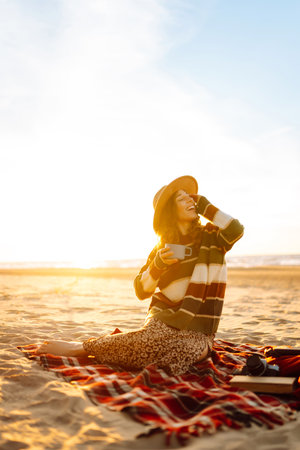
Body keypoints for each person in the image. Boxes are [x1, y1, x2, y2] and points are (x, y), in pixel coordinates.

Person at [36, 175, 244, 375]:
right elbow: (141, 291)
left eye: (191, 197)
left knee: (181, 354)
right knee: (151, 342)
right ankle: (81, 348)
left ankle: (104, 346)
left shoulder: (212, 238)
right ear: (170, 212)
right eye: (181, 199)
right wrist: (158, 265)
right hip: (162, 324)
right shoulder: (160, 250)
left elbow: (236, 229)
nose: (190, 200)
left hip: (198, 334)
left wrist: (204, 204)